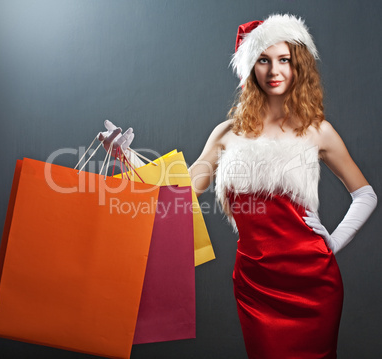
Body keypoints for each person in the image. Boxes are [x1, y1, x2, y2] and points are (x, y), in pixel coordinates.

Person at [101, 13, 377, 359]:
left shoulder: (317, 130)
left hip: (314, 283)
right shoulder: (227, 134)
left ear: (297, 67)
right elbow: (180, 192)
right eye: (263, 60)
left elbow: (366, 194)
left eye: (284, 60)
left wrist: (332, 243)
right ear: (250, 69)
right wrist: (126, 157)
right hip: (256, 285)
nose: (274, 70)